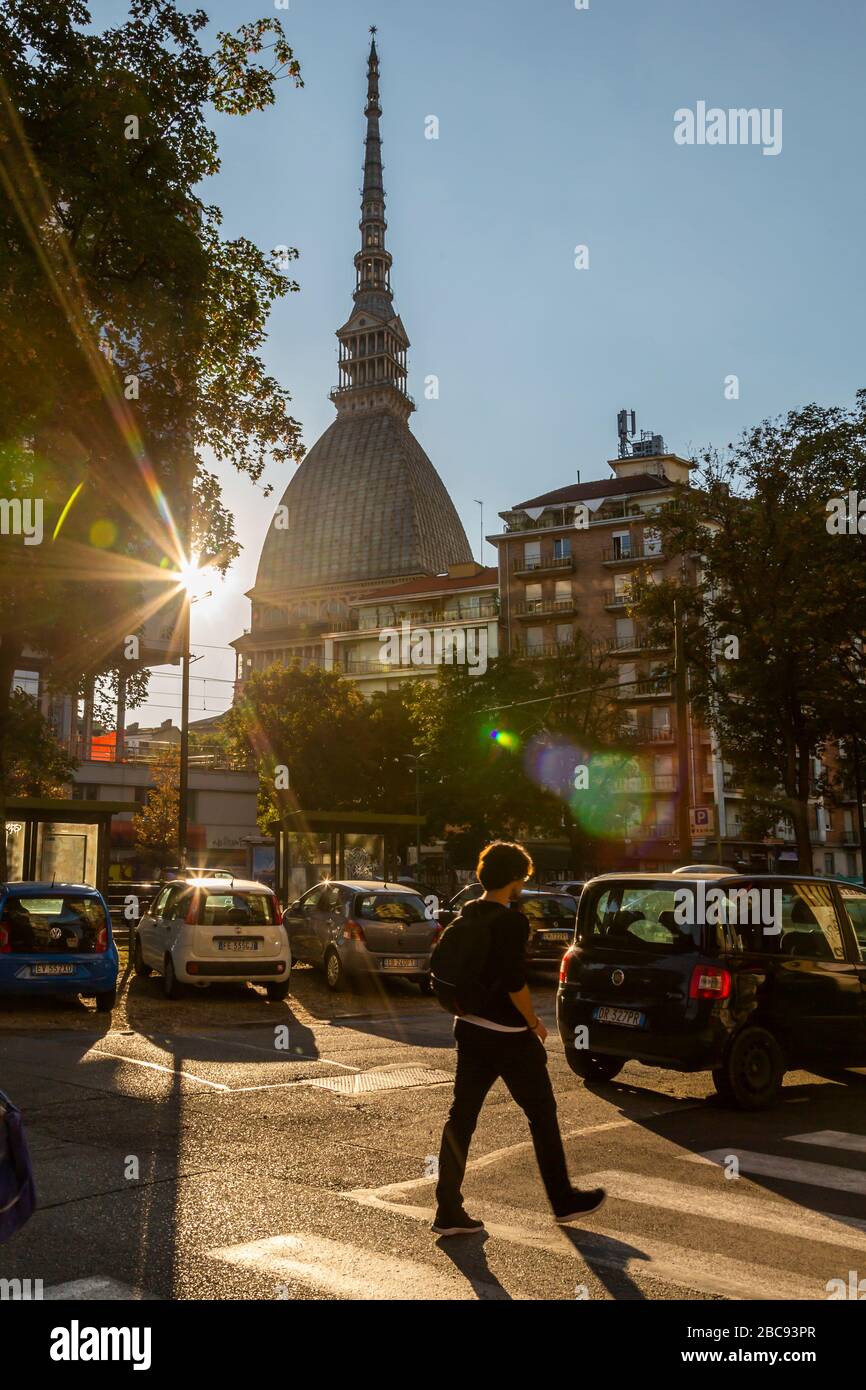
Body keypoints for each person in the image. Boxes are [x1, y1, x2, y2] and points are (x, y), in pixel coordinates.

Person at [432, 839, 606, 1236]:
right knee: (542, 1116)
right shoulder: (511, 921)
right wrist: (534, 1023)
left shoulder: (467, 915)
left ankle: (447, 1209)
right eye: (523, 878)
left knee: (461, 1119)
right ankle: (562, 1200)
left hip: (471, 1029)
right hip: (510, 1037)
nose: (524, 885)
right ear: (513, 879)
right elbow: (514, 982)